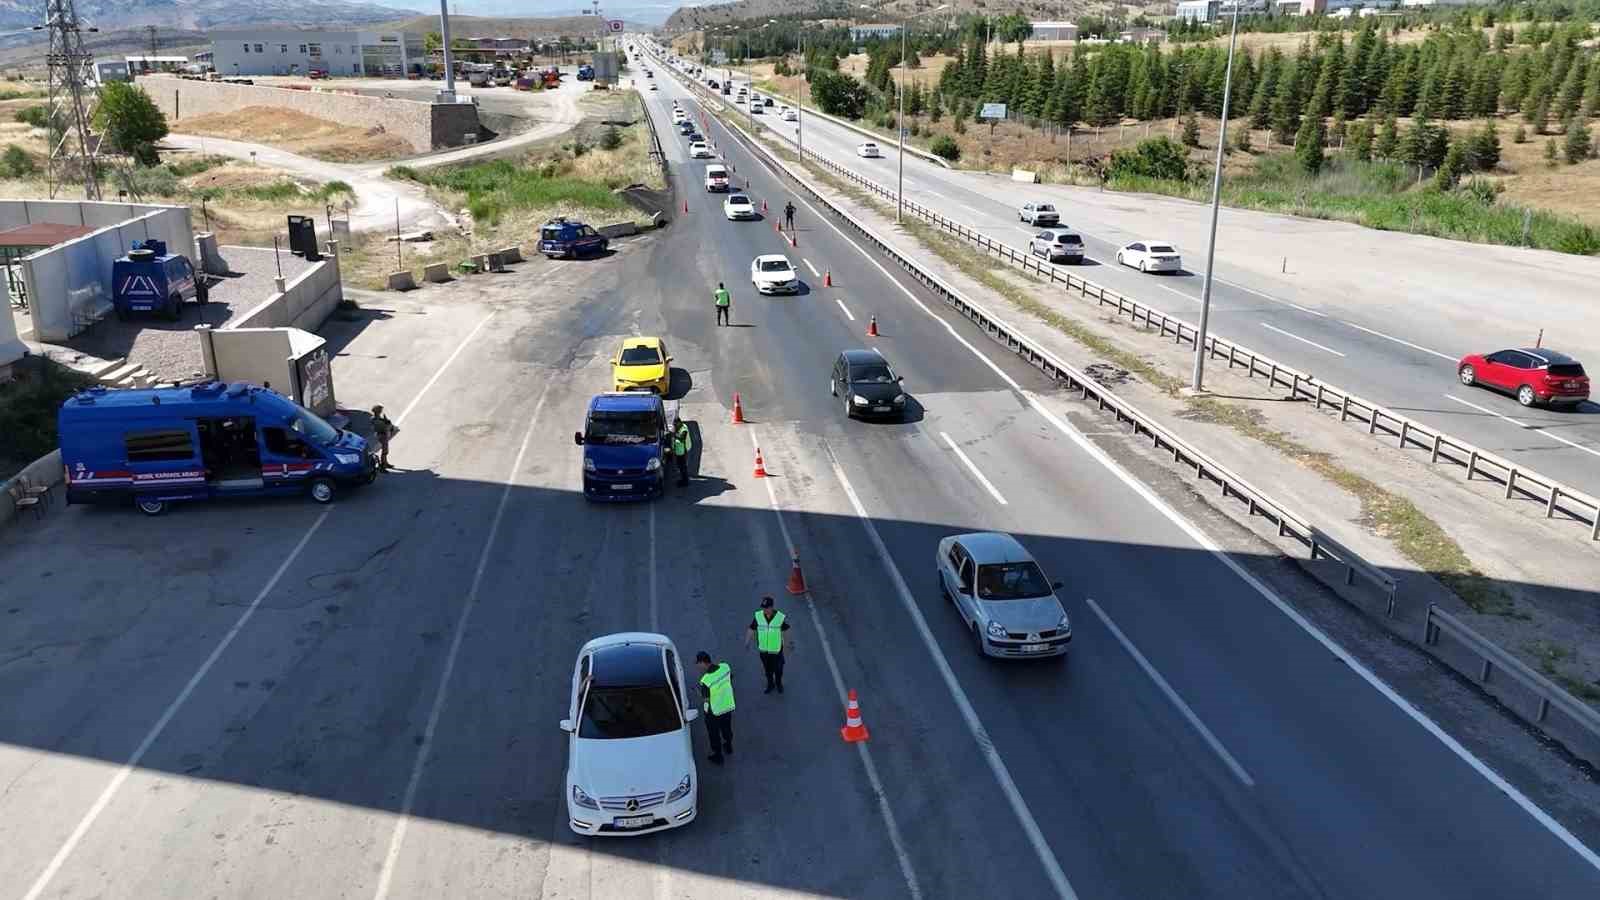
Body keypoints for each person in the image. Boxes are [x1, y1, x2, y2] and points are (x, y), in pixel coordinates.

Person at [743, 595, 792, 694]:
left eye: (766, 608)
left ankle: (778, 683)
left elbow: (786, 630)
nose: (764, 610)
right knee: (768, 671)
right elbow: (751, 628)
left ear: (771, 607)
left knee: (778, 670)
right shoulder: (758, 616)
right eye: (763, 607)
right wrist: (747, 641)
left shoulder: (779, 618)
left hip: (776, 651)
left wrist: (789, 643)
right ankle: (770, 684)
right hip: (764, 652)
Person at [695, 651, 735, 764]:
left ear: (703, 663)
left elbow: (706, 699)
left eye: (698, 663)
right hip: (727, 706)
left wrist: (699, 693)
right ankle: (728, 745)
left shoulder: (706, 680)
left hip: (714, 712)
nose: (698, 666)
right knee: (727, 728)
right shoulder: (725, 667)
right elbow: (730, 677)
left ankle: (718, 755)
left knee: (714, 734)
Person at [371, 405, 398, 470]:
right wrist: (386, 423)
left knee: (385, 450)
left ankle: (385, 463)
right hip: (381, 435)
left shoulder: (379, 418)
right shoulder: (375, 419)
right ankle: (383, 465)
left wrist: (387, 422)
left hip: (384, 435)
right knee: (385, 451)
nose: (381, 411)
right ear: (377, 411)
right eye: (380, 410)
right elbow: (382, 427)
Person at [672, 418, 692, 488]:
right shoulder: (679, 427)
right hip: (680, 451)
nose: (674, 426)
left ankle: (685, 481)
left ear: (679, 422)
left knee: (683, 466)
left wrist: (674, 434)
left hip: (684, 451)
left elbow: (682, 438)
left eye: (675, 424)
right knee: (680, 466)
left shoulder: (684, 429)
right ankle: (683, 479)